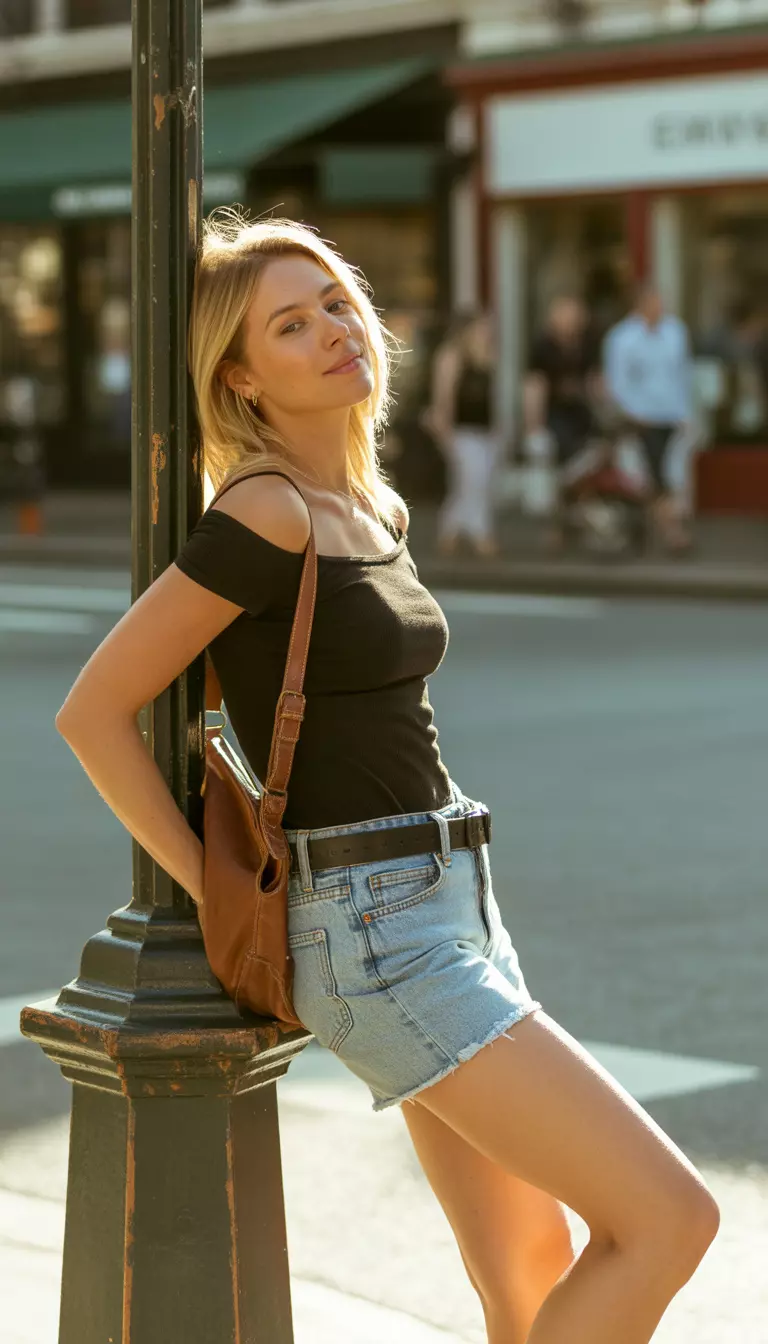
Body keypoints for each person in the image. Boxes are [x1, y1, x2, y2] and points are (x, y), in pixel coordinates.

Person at [55, 213, 718, 1344]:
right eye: (290, 324)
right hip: (374, 931)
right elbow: (95, 711)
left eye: (334, 303)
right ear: (242, 379)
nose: (332, 330)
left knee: (528, 1269)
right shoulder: (262, 513)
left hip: (453, 902)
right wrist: (222, 885)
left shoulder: (369, 510)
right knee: (667, 1221)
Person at [603, 286, 694, 552]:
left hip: (672, 416)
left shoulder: (675, 332)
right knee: (655, 477)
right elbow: (618, 380)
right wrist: (631, 413)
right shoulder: (622, 338)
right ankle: (673, 534)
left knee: (669, 475)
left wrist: (685, 411)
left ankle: (647, 529)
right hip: (642, 417)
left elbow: (682, 373)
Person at [522, 295, 601, 553]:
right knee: (558, 474)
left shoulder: (586, 344)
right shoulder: (543, 347)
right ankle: (556, 529)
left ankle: (577, 522)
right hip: (555, 417)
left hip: (582, 416)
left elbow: (594, 380)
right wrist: (534, 425)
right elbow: (534, 386)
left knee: (584, 469)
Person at [424, 310, 501, 558]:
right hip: (461, 430)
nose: (486, 334)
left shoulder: (488, 357)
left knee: (472, 484)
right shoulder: (452, 357)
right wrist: (444, 431)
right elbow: (444, 396)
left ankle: (450, 533)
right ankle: (481, 536)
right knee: (472, 482)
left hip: (485, 430)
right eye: (481, 329)